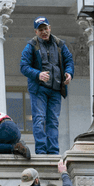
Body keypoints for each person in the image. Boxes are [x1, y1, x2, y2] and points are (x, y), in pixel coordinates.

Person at [19, 16, 74, 156]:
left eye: (45, 28)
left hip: (56, 89)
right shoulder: (31, 46)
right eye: (40, 30)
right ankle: (41, 151)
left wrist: (69, 73)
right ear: (36, 32)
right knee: (39, 119)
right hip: (39, 90)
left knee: (53, 121)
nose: (44, 32)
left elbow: (69, 60)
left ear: (50, 28)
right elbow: (24, 67)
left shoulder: (60, 44)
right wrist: (38, 74)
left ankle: (54, 151)